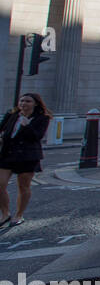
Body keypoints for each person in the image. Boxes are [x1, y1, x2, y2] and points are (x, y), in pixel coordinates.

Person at [0, 92, 51, 229]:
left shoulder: (42, 118)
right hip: (8, 153)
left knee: (23, 186)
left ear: (35, 103)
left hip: (27, 156)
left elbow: (37, 136)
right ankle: (5, 214)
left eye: (28, 101)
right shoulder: (12, 115)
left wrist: (26, 125)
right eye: (22, 101)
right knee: (1, 184)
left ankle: (19, 215)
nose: (23, 104)